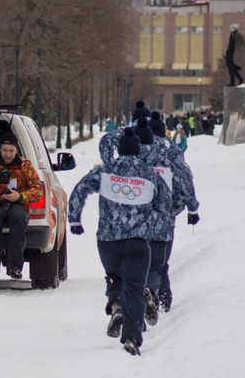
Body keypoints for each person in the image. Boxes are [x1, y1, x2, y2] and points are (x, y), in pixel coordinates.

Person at [68, 127, 170, 356]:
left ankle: (116, 307)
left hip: (108, 242)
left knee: (115, 277)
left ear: (119, 150)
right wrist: (149, 225)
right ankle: (132, 337)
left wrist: (74, 220)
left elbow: (80, 189)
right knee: (134, 287)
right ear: (138, 151)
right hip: (138, 242)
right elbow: (164, 207)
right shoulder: (151, 174)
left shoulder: (105, 171)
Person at [146, 112, 200, 314]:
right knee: (160, 261)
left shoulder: (139, 152)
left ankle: (144, 293)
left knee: (141, 257)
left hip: (137, 216)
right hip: (166, 215)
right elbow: (185, 181)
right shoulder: (173, 153)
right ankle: (162, 299)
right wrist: (190, 207)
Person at [0, 132, 43, 280]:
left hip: (17, 202)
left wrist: (20, 196)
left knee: (18, 218)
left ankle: (15, 267)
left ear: (16, 151)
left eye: (11, 151)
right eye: (5, 150)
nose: (7, 154)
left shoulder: (25, 165)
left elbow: (37, 190)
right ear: (0, 150)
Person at [99, 100, 150, 167]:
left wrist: (111, 165)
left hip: (125, 171)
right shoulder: (159, 136)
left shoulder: (125, 133)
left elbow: (106, 140)